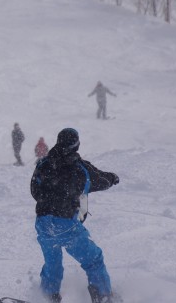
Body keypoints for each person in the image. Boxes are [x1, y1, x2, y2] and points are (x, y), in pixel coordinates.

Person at [30, 128, 120, 303]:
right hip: (65, 224)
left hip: (43, 222)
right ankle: (103, 297)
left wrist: (50, 198)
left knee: (52, 264)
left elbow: (34, 190)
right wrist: (112, 178)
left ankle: (48, 297)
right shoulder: (80, 167)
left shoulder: (43, 164)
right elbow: (100, 180)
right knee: (94, 260)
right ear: (76, 144)